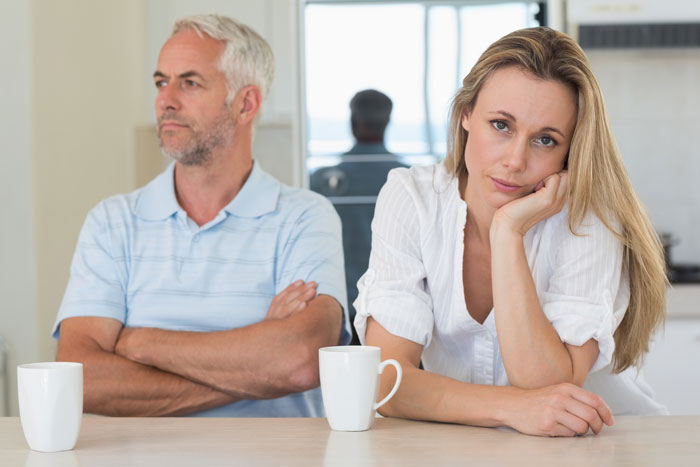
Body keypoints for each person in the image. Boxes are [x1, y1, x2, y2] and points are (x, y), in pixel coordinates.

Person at [355, 27, 668, 437]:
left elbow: (548, 389)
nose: (516, 161)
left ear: (569, 150)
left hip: (600, 444)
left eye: (545, 140)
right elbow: (387, 383)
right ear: (466, 113)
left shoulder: (590, 219)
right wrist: (509, 408)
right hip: (471, 445)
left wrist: (508, 233)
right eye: (501, 125)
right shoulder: (412, 198)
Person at [53, 14, 350, 417]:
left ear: (246, 104)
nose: (166, 99)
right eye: (161, 82)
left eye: (189, 83)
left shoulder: (306, 217)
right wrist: (257, 362)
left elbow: (299, 360)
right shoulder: (111, 223)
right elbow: (81, 380)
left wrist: (140, 343)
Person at [311, 90, 406, 343]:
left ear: (353, 122)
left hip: (342, 309)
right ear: (388, 123)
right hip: (400, 317)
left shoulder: (320, 182)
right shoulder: (412, 182)